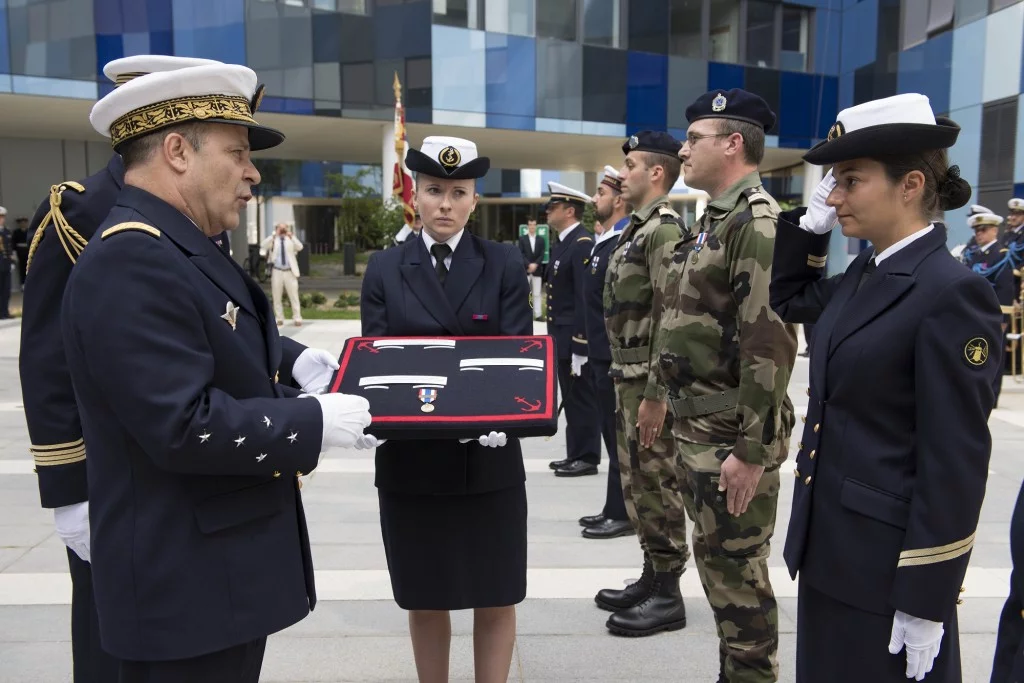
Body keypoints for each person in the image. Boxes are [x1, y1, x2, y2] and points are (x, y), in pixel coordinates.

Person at [60, 56, 373, 682]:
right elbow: (182, 423)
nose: (252, 171)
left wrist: (295, 377)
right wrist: (311, 421)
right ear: (177, 150)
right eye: (238, 152)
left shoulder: (176, 245)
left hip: (213, 576)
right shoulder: (132, 259)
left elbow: (218, 364)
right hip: (183, 588)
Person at [770, 93, 1002, 683]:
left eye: (850, 180)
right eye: (833, 183)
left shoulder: (950, 292)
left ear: (910, 185)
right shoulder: (863, 274)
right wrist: (809, 229)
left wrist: (926, 596)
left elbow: (954, 459)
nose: (835, 197)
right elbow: (789, 298)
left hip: (887, 572)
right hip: (830, 552)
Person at [359, 135, 531, 683]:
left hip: (488, 458)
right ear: (415, 193)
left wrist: (500, 413)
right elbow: (378, 363)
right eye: (434, 190)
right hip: (413, 462)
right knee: (425, 595)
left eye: (459, 193)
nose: (445, 205)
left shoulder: (503, 263)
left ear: (475, 200)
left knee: (496, 593)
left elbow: (517, 356)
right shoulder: (385, 268)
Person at [652, 91, 797, 679]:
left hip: (729, 435)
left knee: (738, 581)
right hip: (701, 428)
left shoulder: (756, 223)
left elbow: (769, 344)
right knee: (720, 574)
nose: (683, 150)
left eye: (694, 139)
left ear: (733, 143)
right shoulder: (716, 217)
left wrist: (751, 450)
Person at [594, 133, 691, 631]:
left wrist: (657, 394)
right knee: (636, 483)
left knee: (656, 481)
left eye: (630, 165)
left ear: (656, 173)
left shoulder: (664, 230)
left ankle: (668, 593)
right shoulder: (639, 228)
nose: (621, 173)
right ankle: (653, 575)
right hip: (627, 377)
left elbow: (671, 318)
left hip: (648, 385)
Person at [578, 166, 632, 540]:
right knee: (610, 436)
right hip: (599, 354)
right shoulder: (604, 241)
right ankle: (615, 507)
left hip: (613, 357)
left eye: (601, 193)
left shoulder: (621, 241)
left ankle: (622, 512)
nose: (595, 199)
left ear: (618, 200)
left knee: (618, 437)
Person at [542, 181, 602, 477]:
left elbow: (583, 298)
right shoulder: (563, 242)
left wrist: (581, 343)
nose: (547, 212)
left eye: (552, 207)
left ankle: (587, 457)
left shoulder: (581, 244)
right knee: (571, 396)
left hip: (574, 338)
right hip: (561, 337)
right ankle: (575, 453)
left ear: (569, 211)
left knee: (581, 399)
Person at [962, 212, 1014, 407]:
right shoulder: (973, 254)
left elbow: (1005, 288)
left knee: (992, 357)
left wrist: (1003, 319)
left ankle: (991, 396)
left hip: (991, 315)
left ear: (994, 230)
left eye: (983, 230)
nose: (979, 234)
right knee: (974, 355)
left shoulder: (1001, 254)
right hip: (972, 313)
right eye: (976, 230)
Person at [261, 222, 305, 326]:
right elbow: (263, 245)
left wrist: (292, 236)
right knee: (276, 296)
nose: (282, 230)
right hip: (277, 271)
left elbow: (300, 247)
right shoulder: (273, 240)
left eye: (284, 228)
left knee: (294, 295)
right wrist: (274, 235)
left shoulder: (290, 239)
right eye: (280, 228)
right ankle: (279, 318)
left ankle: (297, 317)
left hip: (290, 271)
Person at [518, 217, 546, 321]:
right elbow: (521, 253)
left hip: (537, 270)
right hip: (526, 270)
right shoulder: (522, 239)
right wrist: (529, 264)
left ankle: (538, 315)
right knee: (525, 293)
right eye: (530, 225)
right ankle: (524, 315)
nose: (532, 227)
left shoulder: (541, 240)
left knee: (537, 294)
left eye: (534, 225)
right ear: (527, 226)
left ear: (536, 226)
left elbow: (542, 254)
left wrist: (535, 265)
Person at [0, 207, 11, 318]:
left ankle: (5, 312)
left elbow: (9, 248)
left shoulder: (6, 231)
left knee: (6, 290)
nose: (2, 219)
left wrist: (11, 262)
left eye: (3, 217)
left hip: (6, 265)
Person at [12, 216, 28, 289]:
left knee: (28, 268)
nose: (23, 224)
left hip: (27, 251)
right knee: (21, 268)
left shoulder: (28, 231)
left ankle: (27, 283)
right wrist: (14, 253)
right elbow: (14, 243)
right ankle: (23, 284)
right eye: (21, 223)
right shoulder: (16, 232)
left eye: (24, 222)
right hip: (20, 252)